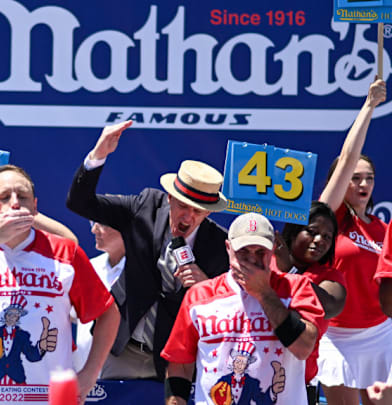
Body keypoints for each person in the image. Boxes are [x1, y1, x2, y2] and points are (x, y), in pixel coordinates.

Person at [0, 164, 120, 404]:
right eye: (4, 197)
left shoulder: (65, 253)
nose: (14, 203)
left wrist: (89, 374)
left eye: (22, 197)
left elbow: (109, 313)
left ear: (35, 206)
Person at [66, 121, 230, 379]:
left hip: (177, 360)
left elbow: (233, 309)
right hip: (121, 351)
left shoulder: (220, 246)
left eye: (197, 211)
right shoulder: (145, 207)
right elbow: (80, 202)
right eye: (182, 206)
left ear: (209, 212)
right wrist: (98, 155)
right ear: (169, 197)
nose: (187, 216)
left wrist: (208, 286)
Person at [161, 213, 325, 404]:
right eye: (244, 251)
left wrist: (263, 292)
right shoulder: (200, 296)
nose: (251, 260)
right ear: (228, 248)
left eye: (260, 252)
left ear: (272, 250)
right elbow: (180, 363)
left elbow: (304, 348)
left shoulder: (296, 287)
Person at [316, 79, 391, 405]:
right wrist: (369, 106)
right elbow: (348, 157)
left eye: (369, 178)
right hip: (337, 337)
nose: (363, 184)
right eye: (355, 178)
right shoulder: (331, 221)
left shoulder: (383, 228)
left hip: (380, 334)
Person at [274, 201, 347, 404]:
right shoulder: (266, 262)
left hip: (298, 386)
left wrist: (290, 271)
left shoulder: (330, 276)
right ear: (293, 231)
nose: (319, 240)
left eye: (327, 237)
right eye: (312, 231)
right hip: (254, 375)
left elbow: (329, 306)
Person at [72, 221, 125, 372]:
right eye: (93, 223)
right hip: (83, 374)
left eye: (103, 224)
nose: (94, 230)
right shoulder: (90, 266)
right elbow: (71, 314)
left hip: (124, 378)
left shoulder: (143, 272)